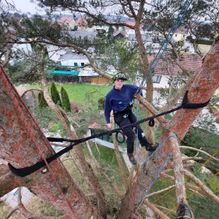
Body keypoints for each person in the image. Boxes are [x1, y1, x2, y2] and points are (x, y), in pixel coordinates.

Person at [104, 72, 156, 165]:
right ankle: (130, 154)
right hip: (119, 116)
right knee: (131, 135)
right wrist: (108, 122)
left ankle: (147, 146)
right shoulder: (110, 95)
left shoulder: (128, 88)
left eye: (121, 81)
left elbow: (138, 89)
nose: (120, 82)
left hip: (129, 112)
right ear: (114, 82)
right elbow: (107, 110)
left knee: (139, 129)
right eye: (118, 80)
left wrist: (141, 100)